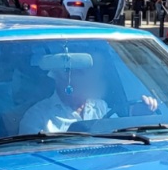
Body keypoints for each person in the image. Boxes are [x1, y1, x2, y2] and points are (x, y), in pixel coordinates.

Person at [20, 58, 157, 135]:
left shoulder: (100, 106)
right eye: (79, 74)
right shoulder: (37, 115)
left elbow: (119, 133)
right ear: (60, 79)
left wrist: (138, 116)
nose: (89, 81)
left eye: (91, 77)